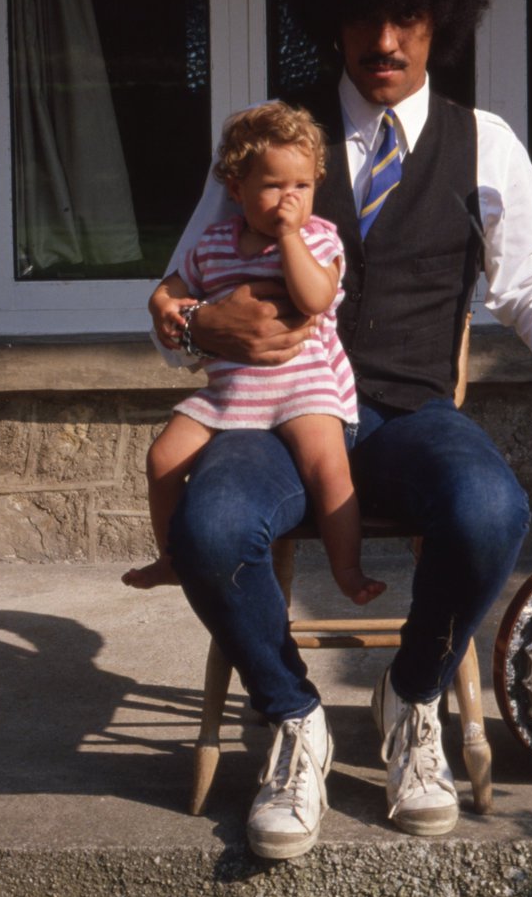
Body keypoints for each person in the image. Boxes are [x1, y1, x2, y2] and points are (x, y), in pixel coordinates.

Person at [150, 0, 532, 860]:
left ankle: (412, 695)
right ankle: (294, 720)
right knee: (206, 524)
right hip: (273, 417)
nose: (384, 39)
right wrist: (201, 324)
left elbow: (530, 279)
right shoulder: (267, 145)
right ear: (333, 16)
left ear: (437, 21)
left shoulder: (483, 142)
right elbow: (176, 298)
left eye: (406, 17)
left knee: (490, 509)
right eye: (365, 15)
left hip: (411, 412)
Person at [125, 102, 385, 606]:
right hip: (231, 392)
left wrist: (289, 237)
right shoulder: (215, 243)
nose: (289, 199)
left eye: (302, 187)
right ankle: (172, 557)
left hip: (303, 386)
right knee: (161, 458)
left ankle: (347, 569)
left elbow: (313, 298)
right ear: (236, 189)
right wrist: (161, 303)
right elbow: (175, 285)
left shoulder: (318, 239)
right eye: (272, 186)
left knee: (329, 470)